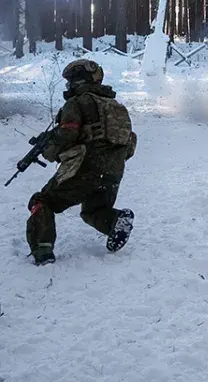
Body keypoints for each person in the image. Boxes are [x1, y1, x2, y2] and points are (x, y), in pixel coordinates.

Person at [25, 59, 137, 266]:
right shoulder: (114, 106)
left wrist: (51, 149)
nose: (68, 86)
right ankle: (114, 221)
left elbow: (68, 132)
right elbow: (129, 142)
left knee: (42, 201)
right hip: (113, 171)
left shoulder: (77, 103)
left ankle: (42, 251)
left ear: (77, 80)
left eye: (69, 81)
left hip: (86, 166)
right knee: (93, 210)